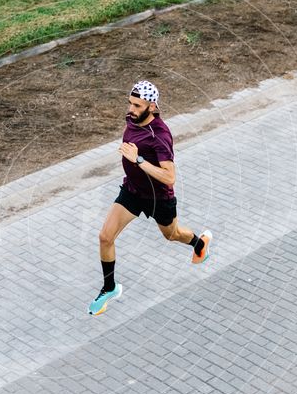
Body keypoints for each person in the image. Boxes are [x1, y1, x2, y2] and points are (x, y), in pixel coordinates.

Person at [88, 80, 212, 316]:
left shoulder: (160, 135)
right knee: (105, 237)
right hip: (133, 191)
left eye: (137, 105)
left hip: (159, 198)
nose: (131, 110)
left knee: (172, 235)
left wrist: (138, 160)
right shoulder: (132, 119)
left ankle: (199, 243)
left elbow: (169, 177)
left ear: (152, 106)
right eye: (130, 103)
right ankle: (109, 288)